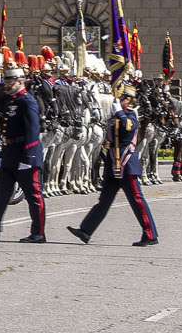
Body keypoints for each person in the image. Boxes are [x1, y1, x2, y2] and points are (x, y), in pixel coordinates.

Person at [68, 83, 159, 247]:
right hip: (112, 162)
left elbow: (128, 129)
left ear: (129, 100)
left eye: (123, 97)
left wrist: (119, 113)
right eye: (120, 97)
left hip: (126, 162)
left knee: (136, 199)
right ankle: (86, 230)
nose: (120, 99)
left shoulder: (130, 115)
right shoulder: (114, 115)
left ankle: (150, 234)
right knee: (104, 200)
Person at [0, 66, 46, 244]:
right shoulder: (10, 101)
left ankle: (38, 233)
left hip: (25, 155)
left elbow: (33, 131)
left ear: (20, 81)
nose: (6, 84)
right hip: (9, 154)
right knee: (2, 195)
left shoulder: (27, 101)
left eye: (10, 81)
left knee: (34, 196)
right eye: (6, 81)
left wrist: (28, 158)